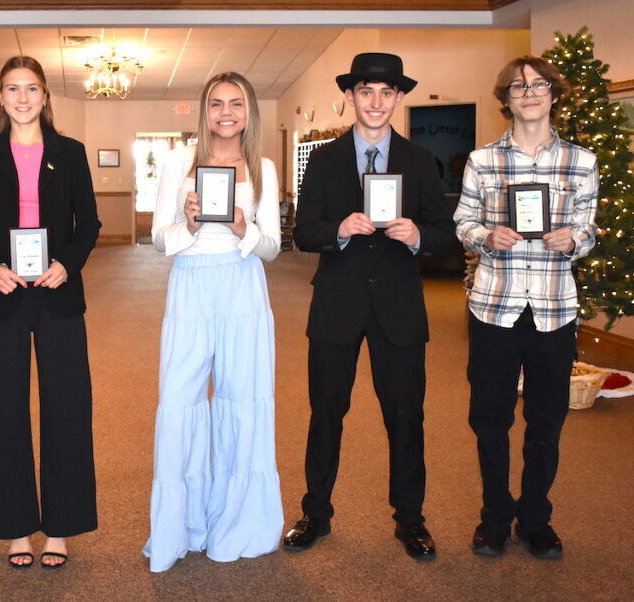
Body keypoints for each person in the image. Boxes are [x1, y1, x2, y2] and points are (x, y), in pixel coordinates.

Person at [284, 53, 455, 558]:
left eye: (386, 93)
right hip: (337, 305)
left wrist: (419, 233)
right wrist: (339, 229)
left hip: (399, 308)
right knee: (326, 414)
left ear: (399, 98)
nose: (376, 102)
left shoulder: (421, 161)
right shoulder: (323, 160)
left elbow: (446, 234)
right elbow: (305, 232)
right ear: (351, 97)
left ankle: (411, 519)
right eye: (365, 92)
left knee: (406, 418)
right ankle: (315, 513)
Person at [0, 56, 100, 570]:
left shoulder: (71, 153)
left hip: (58, 290)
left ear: (45, 97)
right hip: (4, 292)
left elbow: (89, 223)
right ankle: (15, 526)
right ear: (1, 97)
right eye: (12, 89)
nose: (22, 98)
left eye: (32, 89)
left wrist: (68, 263)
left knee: (66, 407)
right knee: (3, 409)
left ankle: (60, 527)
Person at [455, 56, 597, 559]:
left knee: (546, 420)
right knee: (489, 419)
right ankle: (495, 516)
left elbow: (589, 228)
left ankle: (536, 517)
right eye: (518, 87)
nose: (529, 93)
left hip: (555, 310)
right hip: (495, 307)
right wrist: (487, 235)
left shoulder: (581, 161)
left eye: (538, 86)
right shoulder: (482, 160)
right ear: (507, 99)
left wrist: (573, 239)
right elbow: (463, 223)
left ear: (553, 95)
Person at [144, 71, 283, 573]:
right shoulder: (181, 160)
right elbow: (159, 239)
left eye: (237, 103)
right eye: (217, 103)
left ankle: (237, 523)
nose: (227, 112)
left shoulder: (263, 166)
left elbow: (272, 248)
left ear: (249, 112)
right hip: (192, 284)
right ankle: (180, 528)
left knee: (242, 401)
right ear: (204, 111)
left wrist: (244, 228)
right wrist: (191, 223)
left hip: (243, 286)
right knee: (180, 401)